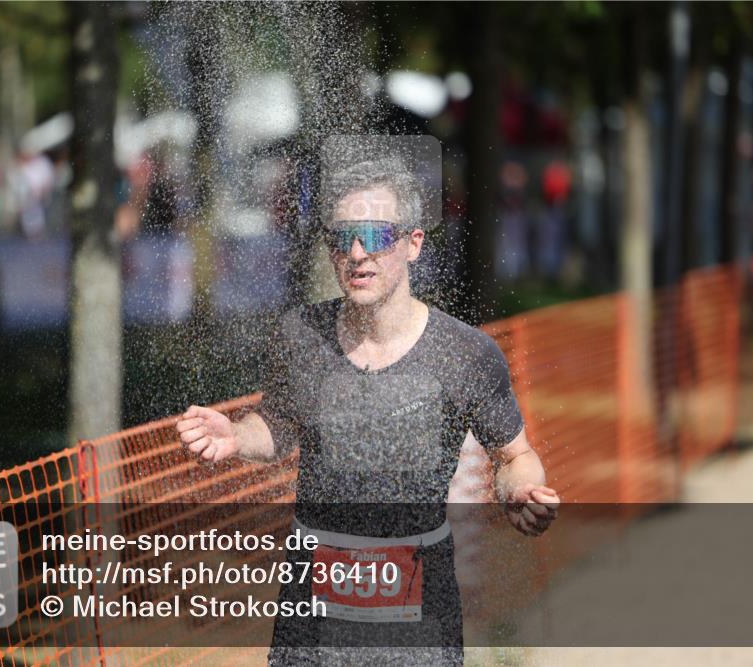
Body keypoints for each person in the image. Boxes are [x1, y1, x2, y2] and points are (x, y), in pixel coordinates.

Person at [176, 155, 559, 665]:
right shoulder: (300, 335)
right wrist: (236, 436)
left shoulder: (465, 354)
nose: (357, 253)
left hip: (419, 618)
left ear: (413, 244)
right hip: (311, 612)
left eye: (377, 236)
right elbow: (279, 425)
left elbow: (514, 456)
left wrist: (521, 494)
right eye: (342, 237)